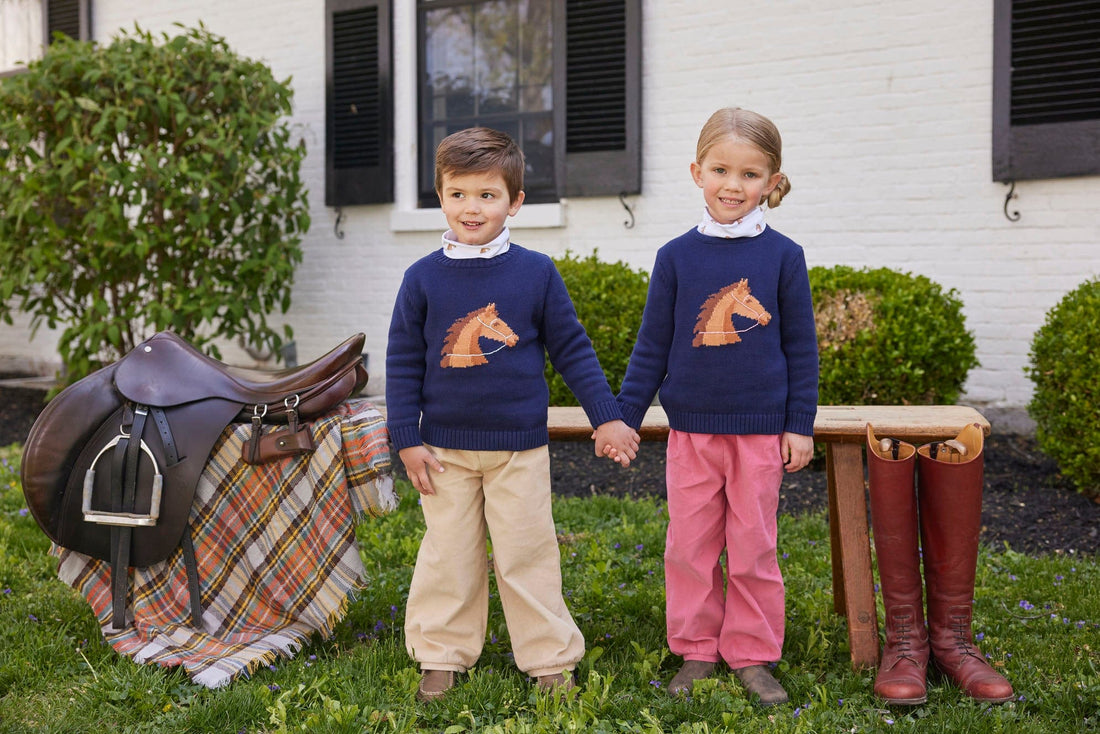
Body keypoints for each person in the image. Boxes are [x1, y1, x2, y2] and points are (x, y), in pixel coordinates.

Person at [385, 127, 640, 702]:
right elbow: (401, 360)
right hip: (443, 450)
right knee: (449, 555)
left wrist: (605, 416)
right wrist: (406, 437)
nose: (471, 208)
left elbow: (572, 350)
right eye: (457, 194)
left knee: (528, 553)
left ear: (515, 201)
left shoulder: (536, 272)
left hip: (519, 449)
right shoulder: (421, 278)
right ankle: (441, 654)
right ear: (440, 197)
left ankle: (549, 657)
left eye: (487, 195)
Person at [615, 108, 819, 706]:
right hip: (692, 434)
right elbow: (652, 346)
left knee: (754, 546)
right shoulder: (676, 257)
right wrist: (625, 417)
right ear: (697, 172)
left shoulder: (784, 256)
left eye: (750, 174)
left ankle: (752, 653)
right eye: (721, 170)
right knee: (690, 546)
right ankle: (698, 648)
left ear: (771, 181)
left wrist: (799, 424)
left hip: (760, 434)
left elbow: (801, 347)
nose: (734, 185)